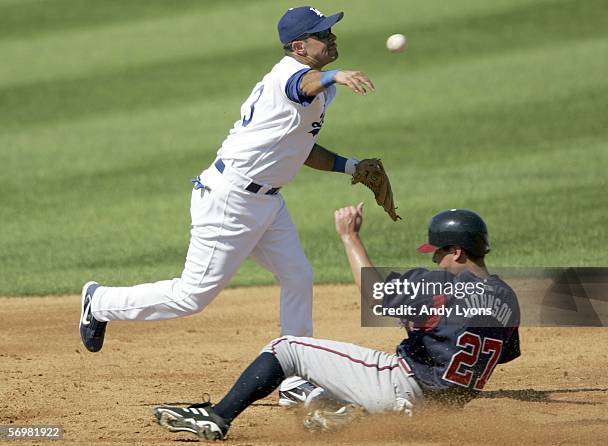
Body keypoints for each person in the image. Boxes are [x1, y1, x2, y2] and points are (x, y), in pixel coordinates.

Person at [79, 6, 382, 400]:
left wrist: (351, 167)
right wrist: (334, 74)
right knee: (191, 296)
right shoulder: (290, 77)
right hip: (231, 200)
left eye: (330, 32)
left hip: (268, 202)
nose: (332, 38)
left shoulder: (320, 87)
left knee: (298, 276)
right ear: (299, 47)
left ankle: (292, 378)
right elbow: (302, 85)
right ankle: (99, 302)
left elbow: (299, 146)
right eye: (322, 35)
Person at [151, 204, 521, 440]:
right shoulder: (507, 298)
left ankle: (217, 417)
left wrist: (350, 236)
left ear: (457, 251)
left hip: (400, 387)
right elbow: (499, 354)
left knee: (287, 349)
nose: (436, 258)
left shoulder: (438, 285)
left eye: (439, 251)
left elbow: (375, 295)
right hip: (443, 408)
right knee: (319, 398)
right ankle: (350, 415)